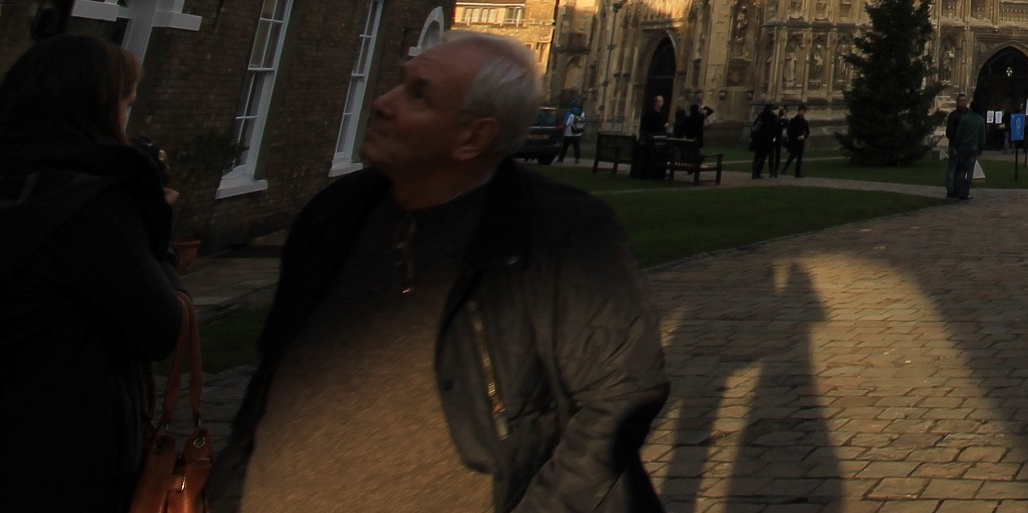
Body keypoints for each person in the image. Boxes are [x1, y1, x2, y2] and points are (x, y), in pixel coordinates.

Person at [213, 31, 666, 512]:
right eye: (399, 84)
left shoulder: (561, 232)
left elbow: (620, 396)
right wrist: (231, 487)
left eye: (418, 95)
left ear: (474, 136)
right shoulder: (335, 213)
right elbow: (272, 373)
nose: (383, 103)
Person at [0, 34, 183, 513]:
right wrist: (161, 243)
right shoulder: (93, 207)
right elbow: (158, 329)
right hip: (51, 453)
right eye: (127, 104)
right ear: (100, 109)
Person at [944, 94, 981, 200]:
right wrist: (955, 142)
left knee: (961, 169)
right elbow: (950, 132)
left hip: (963, 146)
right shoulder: (954, 115)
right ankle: (951, 190)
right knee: (952, 168)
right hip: (955, 145)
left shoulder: (968, 115)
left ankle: (958, 189)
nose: (963, 103)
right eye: (961, 101)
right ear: (957, 102)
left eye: (965, 101)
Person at [638, 92, 669, 180]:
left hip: (660, 136)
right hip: (651, 136)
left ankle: (658, 172)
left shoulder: (663, 112)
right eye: (660, 101)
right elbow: (647, 124)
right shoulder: (649, 112)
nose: (662, 103)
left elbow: (664, 121)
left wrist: (666, 124)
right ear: (655, 102)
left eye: (662, 101)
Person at [748, 102, 781, 180]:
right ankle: (757, 172)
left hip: (759, 140)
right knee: (762, 157)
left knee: (757, 157)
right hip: (765, 140)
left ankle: (755, 172)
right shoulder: (771, 117)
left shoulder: (761, 115)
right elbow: (775, 128)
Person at [783, 103, 810, 177]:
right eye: (800, 111)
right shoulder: (793, 121)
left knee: (799, 158)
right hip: (793, 141)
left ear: (804, 112)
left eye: (802, 111)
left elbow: (807, 132)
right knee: (792, 155)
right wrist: (795, 137)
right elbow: (789, 131)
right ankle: (785, 167)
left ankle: (797, 173)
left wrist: (803, 136)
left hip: (800, 142)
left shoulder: (805, 122)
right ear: (798, 111)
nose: (801, 112)